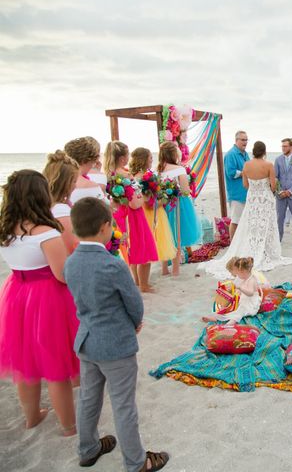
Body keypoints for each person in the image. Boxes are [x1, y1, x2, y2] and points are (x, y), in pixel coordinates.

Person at [64, 197, 169, 472]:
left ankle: (87, 449)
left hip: (86, 340)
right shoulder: (113, 265)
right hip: (115, 345)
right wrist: (134, 323)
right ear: (104, 227)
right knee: (123, 405)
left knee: (89, 398)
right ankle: (136, 462)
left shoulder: (71, 263)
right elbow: (134, 303)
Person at [0, 170, 78, 436]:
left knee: (26, 364)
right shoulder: (46, 232)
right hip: (47, 299)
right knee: (57, 366)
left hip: (16, 295)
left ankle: (31, 418)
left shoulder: (5, 231)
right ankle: (68, 427)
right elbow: (63, 275)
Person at [203, 141, 292, 277]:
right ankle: (265, 251)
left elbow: (245, 185)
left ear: (253, 151)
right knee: (266, 225)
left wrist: (255, 188)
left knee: (252, 225)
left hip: (252, 200)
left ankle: (254, 248)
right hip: (265, 200)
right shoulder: (269, 165)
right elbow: (273, 186)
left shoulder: (246, 165)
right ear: (264, 152)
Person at [104, 141, 158, 292]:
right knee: (144, 249)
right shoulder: (126, 175)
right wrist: (144, 199)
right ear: (122, 158)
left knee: (131, 250)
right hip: (133, 216)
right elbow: (135, 203)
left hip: (119, 215)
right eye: (127, 155)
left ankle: (136, 281)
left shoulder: (109, 175)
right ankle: (144, 285)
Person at [129, 147, 177, 275]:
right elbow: (148, 201)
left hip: (140, 212)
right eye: (150, 157)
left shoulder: (133, 176)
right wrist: (164, 200)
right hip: (150, 213)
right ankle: (145, 280)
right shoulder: (145, 178)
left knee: (138, 246)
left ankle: (137, 280)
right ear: (144, 159)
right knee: (148, 245)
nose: (152, 160)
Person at [158, 141, 202, 276]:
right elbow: (185, 191)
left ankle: (164, 269)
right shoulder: (179, 169)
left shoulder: (158, 169)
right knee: (176, 235)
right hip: (177, 205)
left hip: (162, 205)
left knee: (165, 235)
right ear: (173, 153)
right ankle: (175, 270)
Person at [202, 257, 263, 324]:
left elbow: (250, 293)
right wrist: (230, 288)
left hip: (250, 302)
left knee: (241, 310)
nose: (237, 275)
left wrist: (240, 288)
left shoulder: (252, 280)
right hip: (242, 298)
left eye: (238, 273)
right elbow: (235, 285)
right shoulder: (243, 277)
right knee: (230, 307)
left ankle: (231, 322)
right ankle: (216, 317)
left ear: (243, 272)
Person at [42, 150, 80, 253]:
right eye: (74, 181)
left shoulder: (42, 206)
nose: (75, 186)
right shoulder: (60, 210)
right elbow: (73, 248)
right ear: (64, 183)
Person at [64, 136, 108, 204]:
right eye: (92, 162)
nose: (92, 165)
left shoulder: (59, 183)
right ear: (86, 160)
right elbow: (104, 213)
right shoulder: (92, 187)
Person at [223, 131, 250, 240]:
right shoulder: (231, 154)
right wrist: (245, 173)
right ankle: (232, 244)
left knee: (245, 220)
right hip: (236, 194)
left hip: (246, 192)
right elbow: (231, 173)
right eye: (243, 140)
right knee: (235, 221)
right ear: (236, 140)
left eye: (246, 140)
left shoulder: (245, 154)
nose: (245, 142)